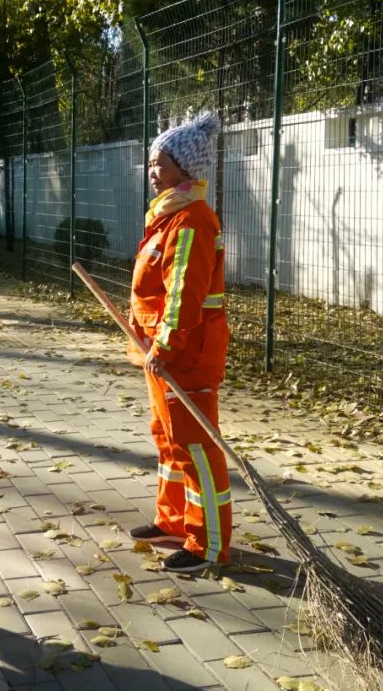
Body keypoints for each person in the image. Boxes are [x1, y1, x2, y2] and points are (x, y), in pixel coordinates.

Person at [127, 111, 232, 574]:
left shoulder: (191, 221)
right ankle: (172, 520)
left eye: (161, 163)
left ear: (185, 169)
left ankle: (207, 543)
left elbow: (185, 295)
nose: (153, 172)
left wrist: (165, 347)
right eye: (151, 163)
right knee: (169, 441)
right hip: (159, 355)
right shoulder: (167, 216)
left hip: (184, 356)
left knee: (195, 450)